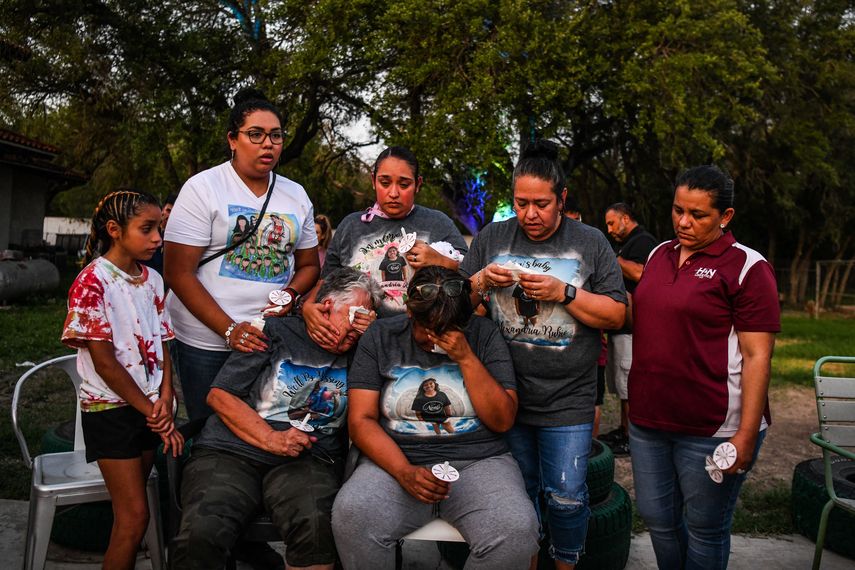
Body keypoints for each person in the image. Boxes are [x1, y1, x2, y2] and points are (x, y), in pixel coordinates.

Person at [459, 140, 626, 569]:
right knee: (519, 494)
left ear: (562, 199)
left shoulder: (590, 243)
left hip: (567, 399)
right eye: (520, 202)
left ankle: (566, 563)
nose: (530, 214)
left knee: (567, 496)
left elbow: (618, 315)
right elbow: (459, 308)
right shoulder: (493, 236)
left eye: (541, 203)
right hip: (505, 395)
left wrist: (564, 292)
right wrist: (478, 281)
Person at [171, 268, 383, 570]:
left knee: (316, 527)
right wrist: (272, 438)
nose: (349, 338)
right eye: (348, 323)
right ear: (324, 306)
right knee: (200, 535)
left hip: (307, 459)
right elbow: (220, 396)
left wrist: (374, 333)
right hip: (231, 451)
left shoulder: (366, 349)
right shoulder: (275, 331)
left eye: (359, 329)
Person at [332, 266, 539, 569]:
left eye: (447, 330)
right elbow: (361, 421)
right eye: (427, 329)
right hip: (395, 461)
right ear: (410, 313)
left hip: (478, 462)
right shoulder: (381, 336)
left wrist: (466, 358)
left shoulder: (484, 336)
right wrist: (404, 472)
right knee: (352, 515)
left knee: (517, 530)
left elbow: (503, 420)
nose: (436, 341)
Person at [629, 165, 780, 569]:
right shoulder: (660, 254)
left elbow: (757, 356)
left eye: (698, 215)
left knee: (705, 528)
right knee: (659, 519)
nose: (683, 222)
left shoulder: (747, 267)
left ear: (725, 217)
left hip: (714, 426)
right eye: (678, 210)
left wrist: (746, 434)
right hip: (649, 421)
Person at [164, 88, 320, 422]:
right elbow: (178, 273)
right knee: (208, 430)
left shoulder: (295, 194)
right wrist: (229, 330)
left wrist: (290, 295)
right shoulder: (203, 188)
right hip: (206, 342)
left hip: (269, 338)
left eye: (275, 136)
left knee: (262, 427)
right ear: (233, 140)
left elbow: (309, 265)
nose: (268, 144)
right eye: (256, 134)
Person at [61, 190, 183, 570]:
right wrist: (154, 412)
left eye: (158, 229)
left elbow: (164, 344)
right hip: (111, 411)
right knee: (134, 520)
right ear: (115, 230)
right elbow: (106, 364)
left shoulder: (153, 281)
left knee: (132, 517)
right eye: (146, 229)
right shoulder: (92, 282)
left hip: (148, 409)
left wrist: (165, 399)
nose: (157, 239)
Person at [304, 146, 468, 340]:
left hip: (423, 340)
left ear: (418, 184)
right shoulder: (351, 226)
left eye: (404, 184)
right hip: (360, 343)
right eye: (384, 182)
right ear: (373, 181)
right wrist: (308, 306)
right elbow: (327, 280)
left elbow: (471, 277)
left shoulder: (437, 223)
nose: (393, 193)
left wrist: (441, 261)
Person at [600, 202, 658, 456]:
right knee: (621, 386)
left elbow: (641, 273)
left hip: (634, 328)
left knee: (629, 384)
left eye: (612, 223)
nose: (610, 230)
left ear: (625, 218)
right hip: (619, 325)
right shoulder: (625, 245)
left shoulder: (643, 241)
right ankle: (624, 429)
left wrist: (611, 257)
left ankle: (631, 436)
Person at [142, 191, 178, 277]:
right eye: (168, 210)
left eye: (174, 213)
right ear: (162, 210)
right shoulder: (145, 231)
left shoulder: (178, 238)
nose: (169, 216)